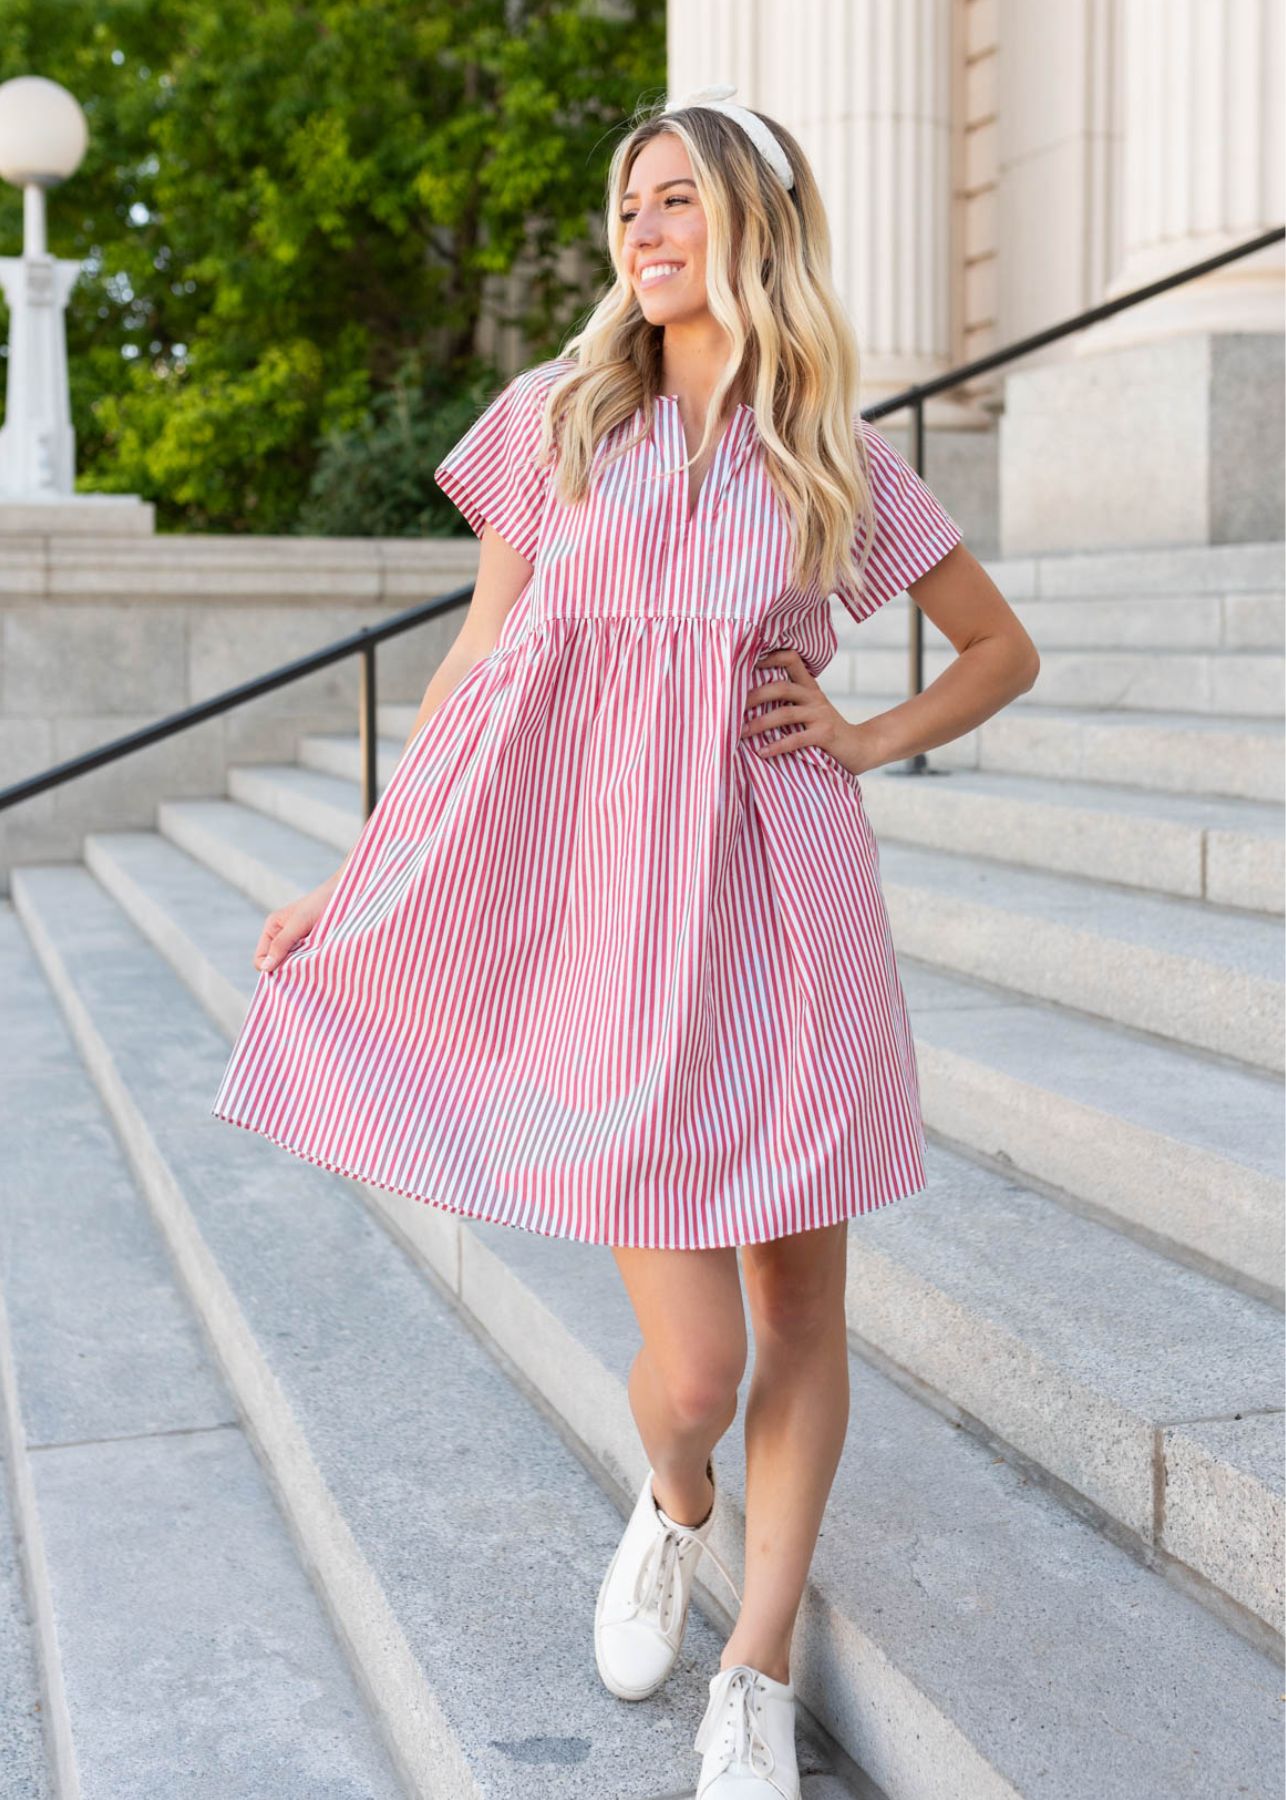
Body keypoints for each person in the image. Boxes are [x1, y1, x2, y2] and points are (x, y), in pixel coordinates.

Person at [212, 82, 1039, 1800]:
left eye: (674, 202)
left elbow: (994, 649)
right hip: (599, 912)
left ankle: (757, 1657)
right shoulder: (559, 417)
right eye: (628, 207)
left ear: (751, 223)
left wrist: (862, 734)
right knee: (693, 1370)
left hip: (781, 896)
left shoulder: (832, 457)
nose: (641, 233)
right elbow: (473, 668)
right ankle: (672, 1505)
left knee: (799, 1304)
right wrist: (360, 870)